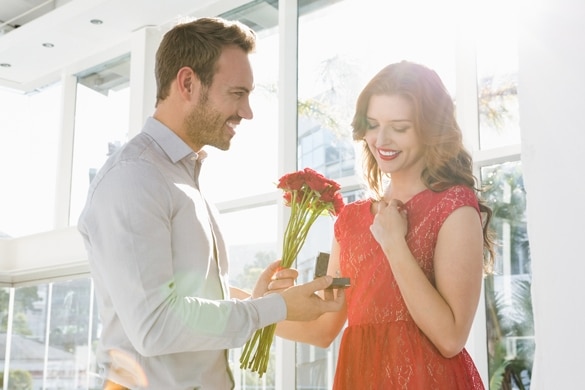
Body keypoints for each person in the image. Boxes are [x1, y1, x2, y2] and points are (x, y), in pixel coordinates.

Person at [77, 17, 343, 390]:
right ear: (187, 83)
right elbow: (155, 326)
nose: (247, 111)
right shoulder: (134, 178)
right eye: (237, 93)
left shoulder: (182, 178)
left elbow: (187, 303)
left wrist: (257, 301)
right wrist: (275, 308)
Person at [273, 60, 495, 389]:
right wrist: (249, 307)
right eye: (373, 124)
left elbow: (450, 338)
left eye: (399, 127)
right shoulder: (349, 220)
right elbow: (322, 328)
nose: (382, 139)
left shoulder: (455, 207)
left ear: (431, 129)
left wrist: (394, 244)